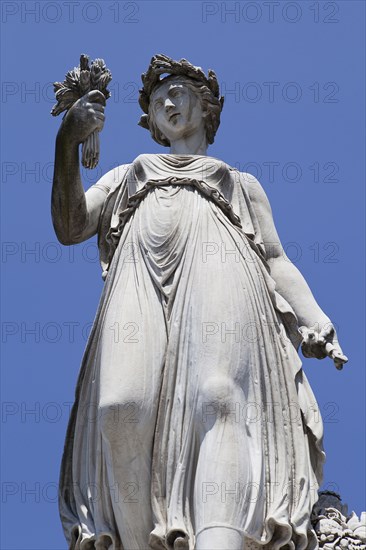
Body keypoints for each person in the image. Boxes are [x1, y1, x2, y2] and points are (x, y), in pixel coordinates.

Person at [52, 55, 347, 550]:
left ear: (206, 106)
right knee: (119, 407)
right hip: (139, 265)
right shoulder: (127, 176)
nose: (168, 100)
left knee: (219, 394)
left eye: (180, 90)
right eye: (158, 96)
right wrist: (68, 142)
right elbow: (71, 225)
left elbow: (275, 258)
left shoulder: (240, 183)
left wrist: (313, 318)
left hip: (221, 261)